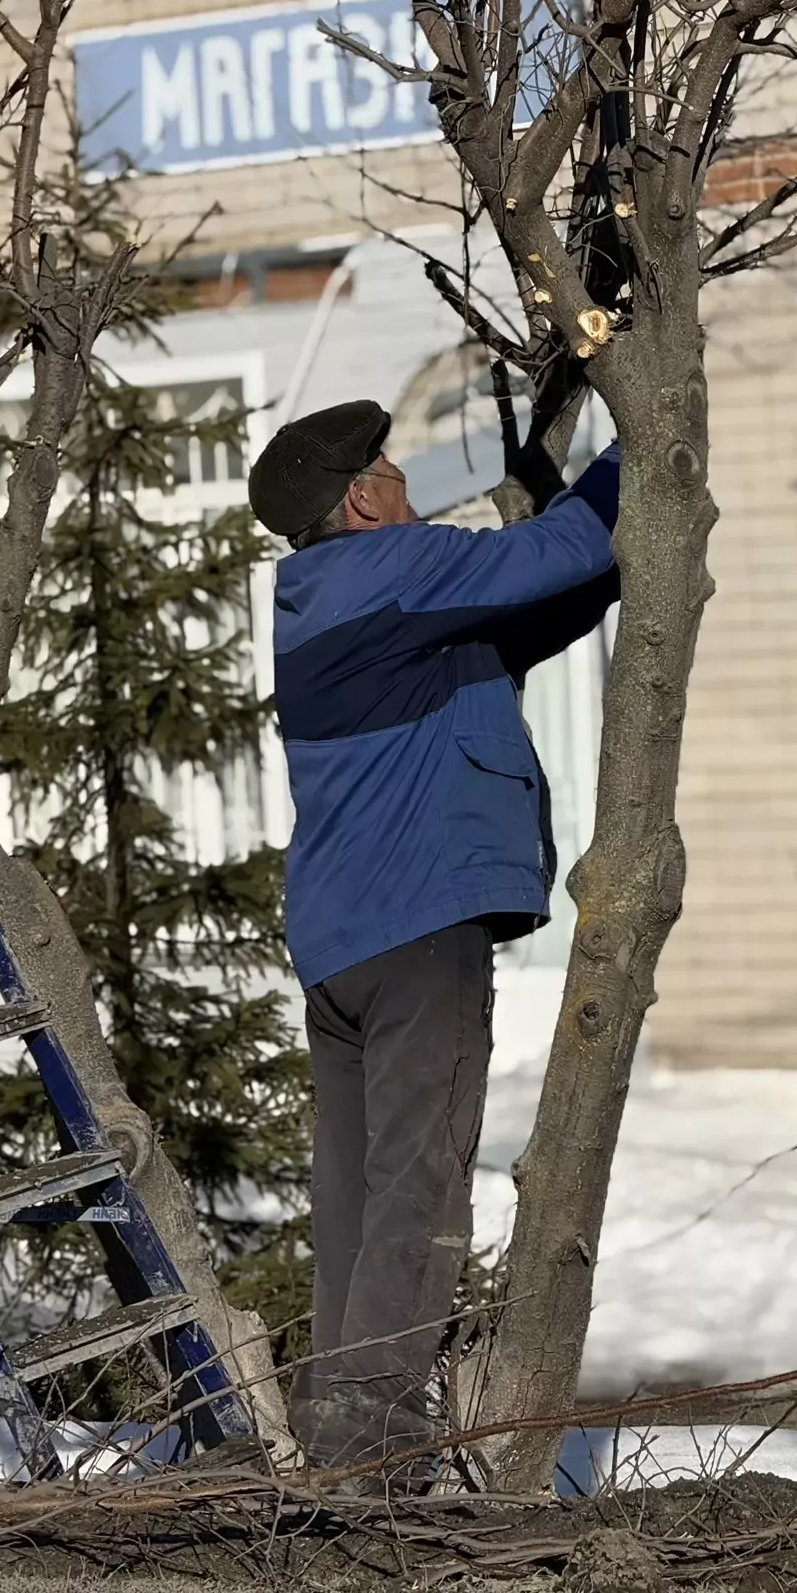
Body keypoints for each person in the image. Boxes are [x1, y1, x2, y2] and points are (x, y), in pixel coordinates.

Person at [246, 398, 619, 1473]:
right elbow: (560, 549)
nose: (411, 492)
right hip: (418, 931)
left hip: (343, 947)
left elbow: (543, 600)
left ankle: (336, 1427)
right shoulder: (395, 568)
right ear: (364, 501)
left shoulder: (331, 603)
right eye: (396, 475)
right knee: (420, 1186)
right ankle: (377, 1444)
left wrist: (589, 541)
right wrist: (639, 447)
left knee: (358, 1201)